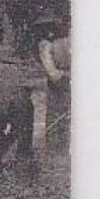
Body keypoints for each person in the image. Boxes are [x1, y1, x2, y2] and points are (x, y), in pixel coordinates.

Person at [0, 20, 41, 183]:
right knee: (23, 135)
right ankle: (23, 173)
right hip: (21, 99)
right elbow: (27, 88)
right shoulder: (17, 64)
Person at [33, 13, 70, 154]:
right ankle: (55, 146)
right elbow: (51, 71)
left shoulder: (65, 41)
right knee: (57, 113)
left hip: (64, 79)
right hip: (60, 81)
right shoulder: (47, 45)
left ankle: (63, 144)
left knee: (64, 113)